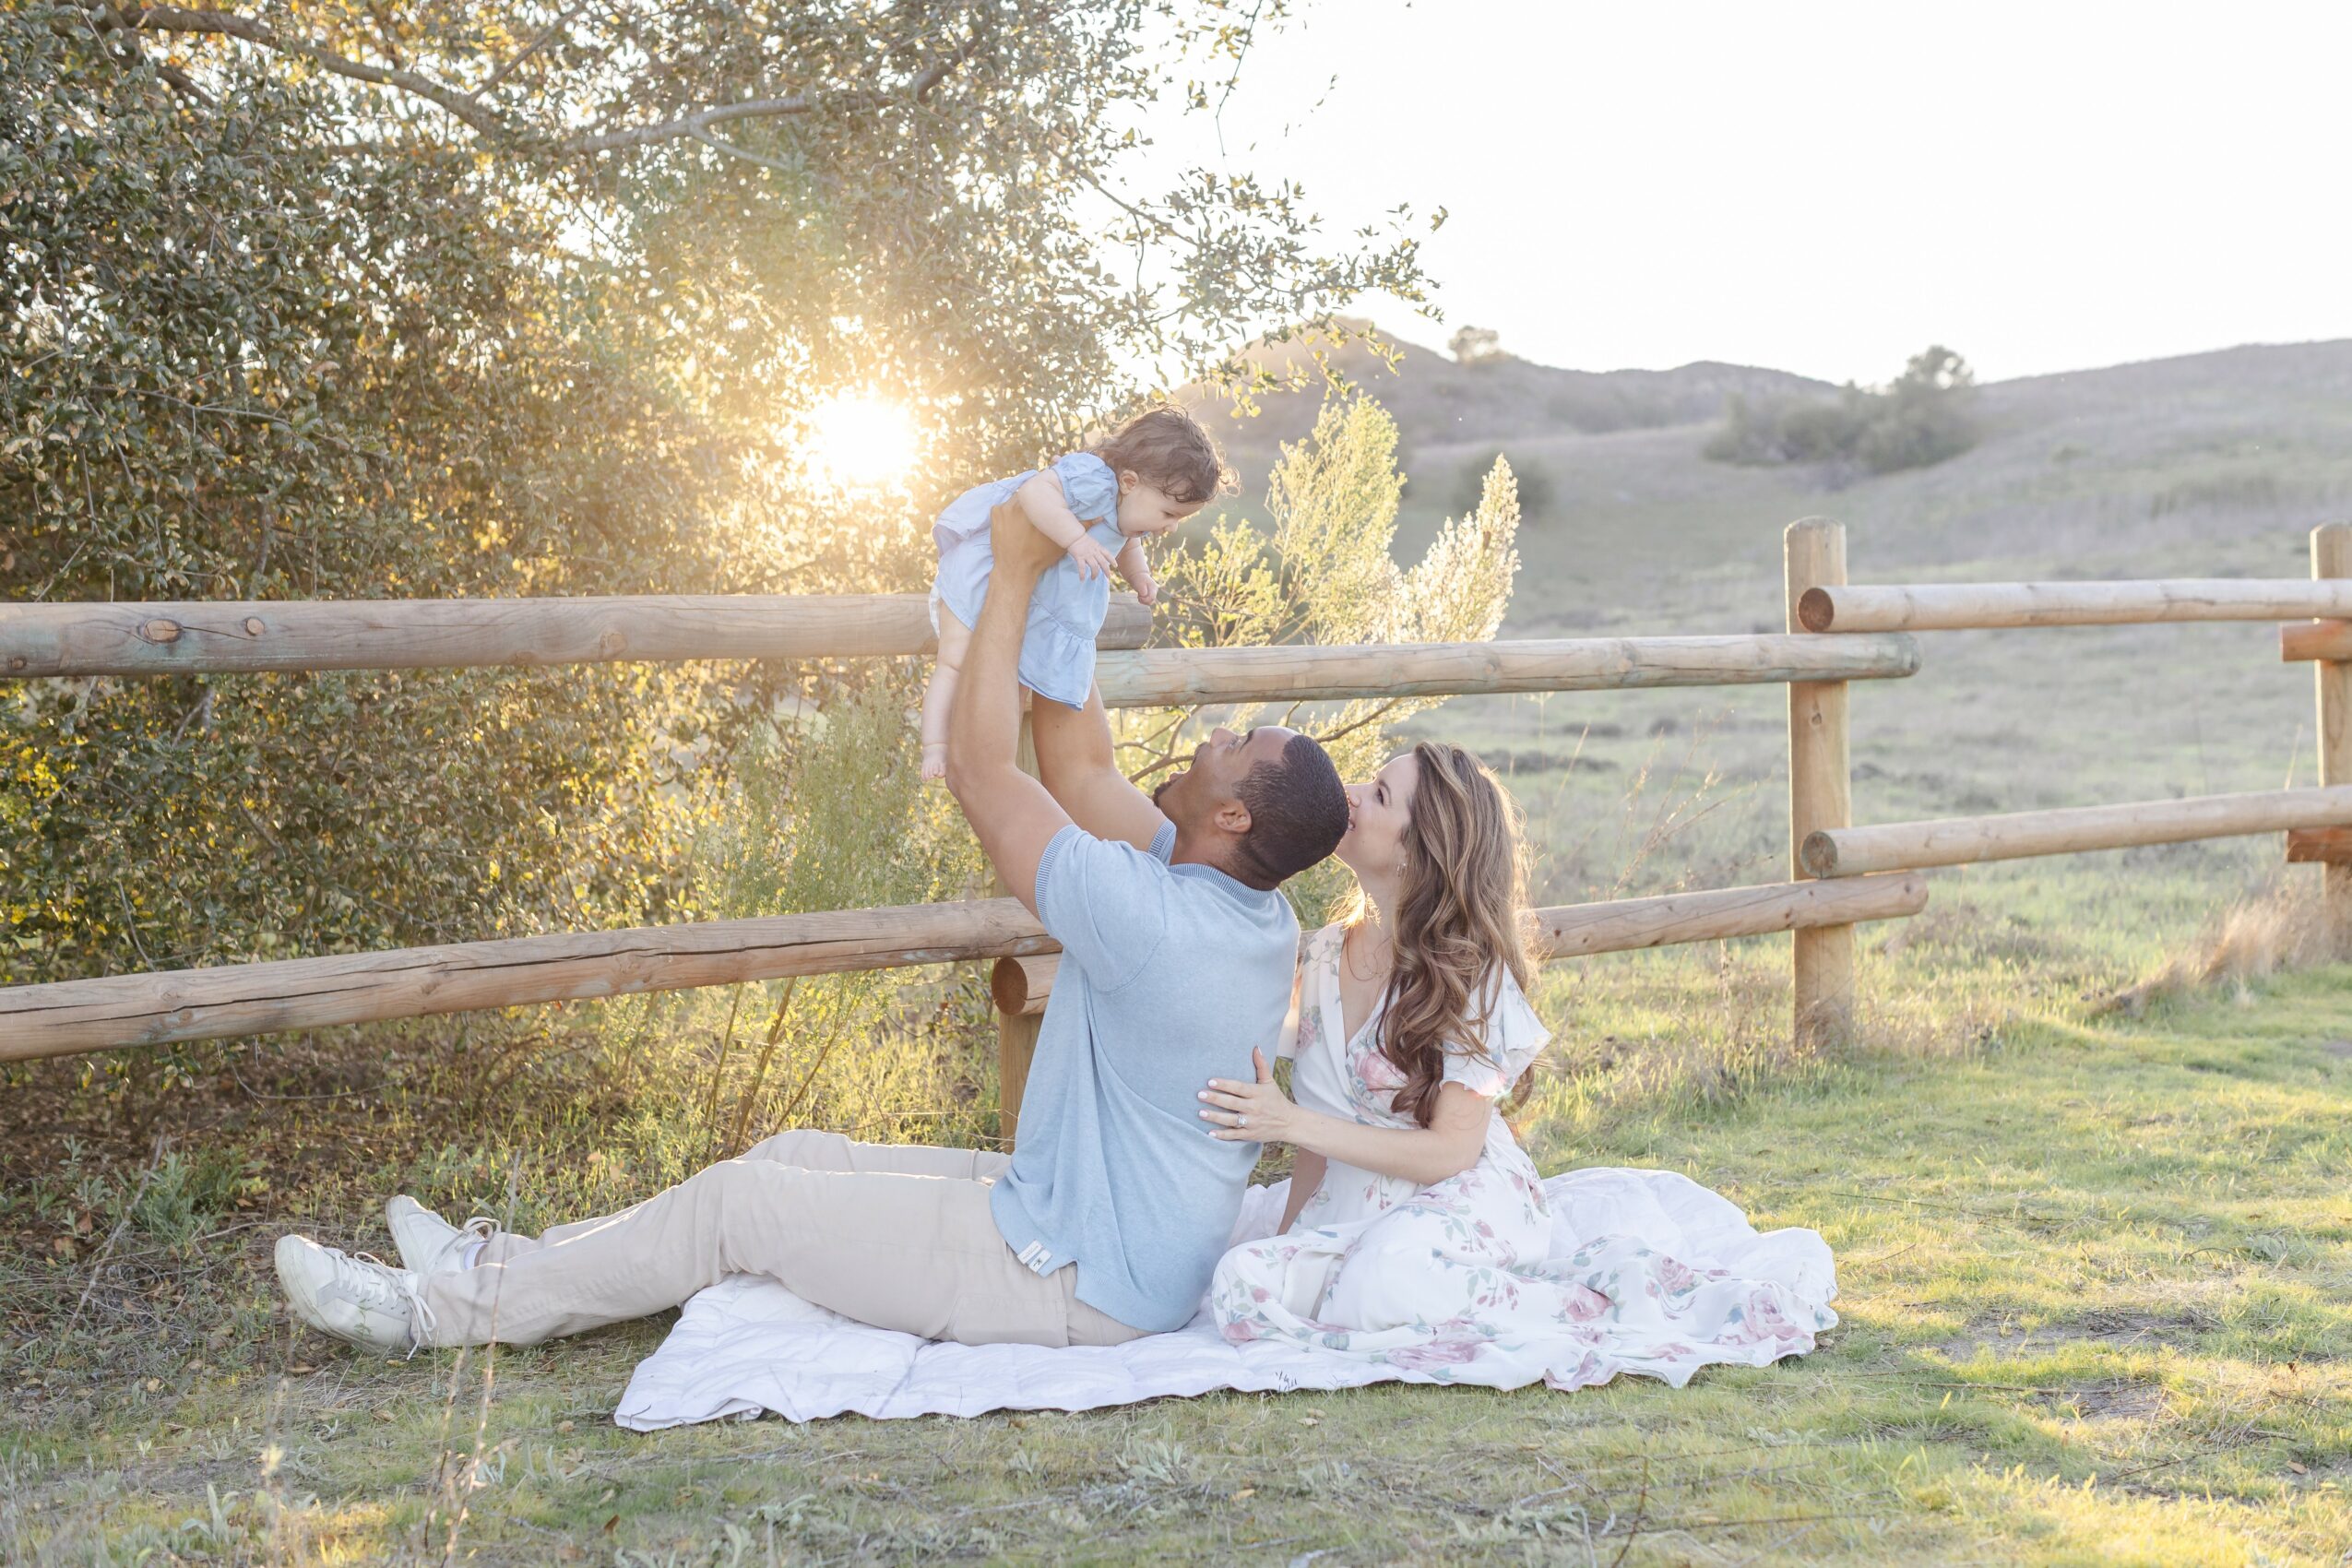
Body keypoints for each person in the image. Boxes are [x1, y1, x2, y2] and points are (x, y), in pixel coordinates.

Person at [270, 493, 1349, 1357]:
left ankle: (428, 1314)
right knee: (792, 1152)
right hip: (1104, 1222)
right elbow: (1081, 764)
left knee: (744, 1204)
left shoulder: (1153, 919)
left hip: (1082, 1276)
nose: (1209, 734)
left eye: (1232, 741)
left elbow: (983, 770)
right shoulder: (1247, 905)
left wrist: (1014, 564)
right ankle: (492, 1262)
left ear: (1233, 811)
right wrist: (1075, 559)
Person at [1199, 743, 1837, 1384]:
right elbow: (1316, 1135)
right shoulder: (1317, 958)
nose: (1352, 792)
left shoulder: (1466, 975)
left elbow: (1450, 1151)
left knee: (1381, 1283)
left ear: (1416, 851)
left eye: (1381, 794)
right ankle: (1381, 1286)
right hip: (1354, 1202)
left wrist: (1289, 1124)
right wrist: (1287, 1238)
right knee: (1244, 1281)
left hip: (1461, 1194)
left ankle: (1577, 1308)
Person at [919, 405, 1231, 780]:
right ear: (1129, 481)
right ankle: (934, 745)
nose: (1172, 528)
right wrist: (1076, 539)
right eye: (1169, 514)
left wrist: (1141, 577)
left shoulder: (1127, 505)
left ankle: (986, 760)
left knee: (1006, 680)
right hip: (982, 575)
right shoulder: (1094, 478)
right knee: (954, 661)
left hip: (1020, 597)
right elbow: (1036, 492)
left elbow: (1126, 542)